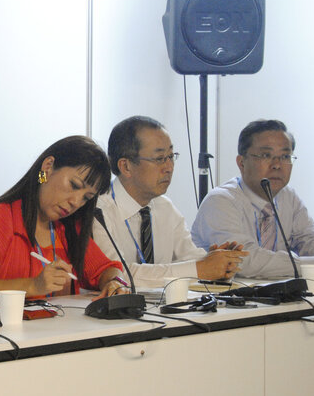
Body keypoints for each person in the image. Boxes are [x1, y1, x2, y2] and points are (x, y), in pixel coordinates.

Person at [0, 135, 128, 300]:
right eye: (74, 185)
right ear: (48, 167)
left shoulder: (68, 227)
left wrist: (115, 282)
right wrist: (33, 285)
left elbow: (105, 269)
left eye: (86, 197)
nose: (75, 202)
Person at [93, 116, 247, 283]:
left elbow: (190, 257)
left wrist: (220, 263)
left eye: (171, 156)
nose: (169, 167)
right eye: (159, 159)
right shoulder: (98, 210)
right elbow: (118, 274)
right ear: (126, 166)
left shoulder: (164, 206)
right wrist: (200, 268)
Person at [192, 119, 314, 278]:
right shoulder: (220, 201)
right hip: (225, 298)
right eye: (266, 155)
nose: (277, 165)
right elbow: (246, 262)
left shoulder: (289, 197)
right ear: (241, 162)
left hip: (276, 298)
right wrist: (310, 266)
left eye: (285, 156)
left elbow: (311, 239)